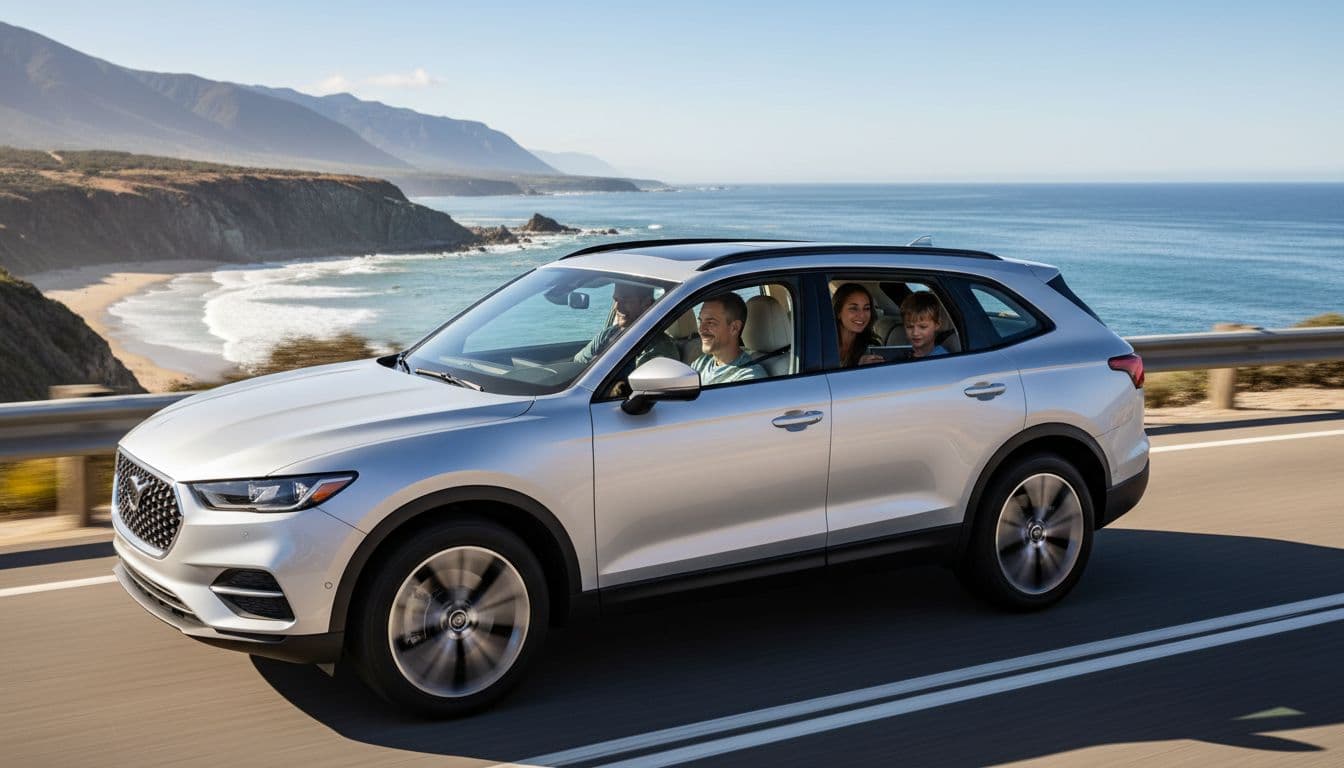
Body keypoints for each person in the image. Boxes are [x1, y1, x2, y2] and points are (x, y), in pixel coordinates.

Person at [574, 281, 677, 365]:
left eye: (625, 301)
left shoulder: (659, 349)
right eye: (616, 300)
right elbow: (577, 363)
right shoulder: (608, 335)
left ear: (647, 303)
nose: (617, 307)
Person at [690, 293, 766, 384]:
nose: (701, 329)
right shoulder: (701, 363)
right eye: (701, 321)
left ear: (734, 328)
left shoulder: (749, 377)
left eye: (710, 323)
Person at [833, 283, 884, 367]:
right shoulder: (821, 343)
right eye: (853, 308)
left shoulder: (871, 347)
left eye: (866, 308)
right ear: (838, 312)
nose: (862, 315)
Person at [901, 292, 949, 358]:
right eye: (910, 326)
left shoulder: (942, 359)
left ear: (937, 325)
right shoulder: (907, 355)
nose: (915, 333)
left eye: (923, 327)